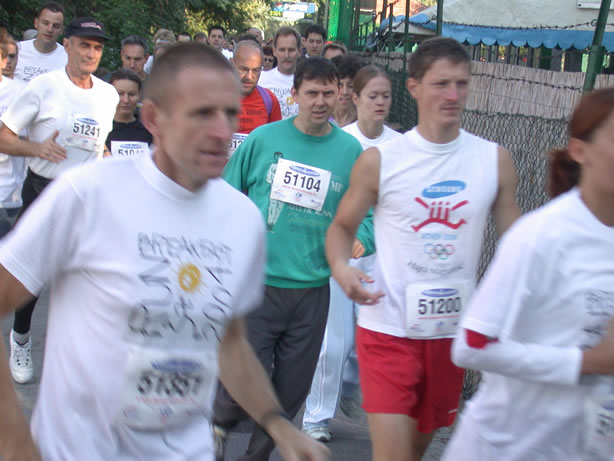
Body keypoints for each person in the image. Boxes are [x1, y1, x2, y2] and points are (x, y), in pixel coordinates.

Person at [0, 42, 329, 461]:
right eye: (201, 113)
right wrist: (15, 443)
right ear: (154, 118)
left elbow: (228, 343)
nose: (221, 131)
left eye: (229, 113)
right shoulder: (88, 195)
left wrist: (279, 425)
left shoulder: (243, 219)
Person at [325, 37, 521, 461]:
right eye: (441, 84)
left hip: (450, 335)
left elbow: (517, 245)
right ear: (413, 87)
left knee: (415, 451)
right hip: (387, 329)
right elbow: (340, 227)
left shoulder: (493, 161)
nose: (452, 95)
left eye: (461, 84)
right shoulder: (381, 161)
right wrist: (341, 267)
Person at [440, 87, 614, 461]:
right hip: (504, 447)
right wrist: (585, 363)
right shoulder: (541, 236)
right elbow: (470, 346)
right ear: (580, 151)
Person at [213, 56, 374, 461]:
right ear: (295, 94)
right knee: (240, 386)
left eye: (328, 93)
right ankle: (214, 427)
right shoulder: (263, 140)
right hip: (259, 285)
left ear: (340, 94)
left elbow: (369, 213)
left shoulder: (350, 151)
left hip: (312, 291)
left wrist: (362, 238)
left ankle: (255, 457)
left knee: (289, 393)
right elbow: (224, 197)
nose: (320, 101)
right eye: (312, 93)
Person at [0, 17, 119, 385]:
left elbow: (99, 144)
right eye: (84, 45)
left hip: (87, 196)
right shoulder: (42, 87)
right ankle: (21, 337)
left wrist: (110, 164)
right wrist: (37, 148)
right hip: (44, 190)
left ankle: (75, 354)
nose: (90, 53)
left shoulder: (108, 95)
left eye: (97, 47)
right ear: (67, 46)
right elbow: (4, 136)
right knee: (32, 277)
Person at [303, 65, 401, 443]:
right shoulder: (340, 143)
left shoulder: (402, 146)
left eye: (386, 96)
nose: (380, 102)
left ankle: (352, 389)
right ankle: (316, 417)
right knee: (335, 343)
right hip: (340, 256)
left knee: (372, 343)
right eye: (373, 95)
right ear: (355, 97)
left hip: (384, 256)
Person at [230, 37, 281, 155]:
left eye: (256, 70)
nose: (249, 76)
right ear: (232, 63)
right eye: (243, 69)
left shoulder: (270, 100)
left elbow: (275, 145)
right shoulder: (212, 97)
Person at [0, 39, 26, 238]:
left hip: (7, 192)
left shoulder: (22, 92)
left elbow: (27, 139)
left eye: (11, 56)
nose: (9, 61)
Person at [14, 2, 67, 82]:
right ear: (36, 23)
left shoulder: (68, 58)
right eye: (45, 23)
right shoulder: (16, 51)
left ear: (61, 30)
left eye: (56, 26)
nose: (50, 29)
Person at [105, 69, 152, 157]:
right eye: (120, 94)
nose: (126, 100)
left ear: (139, 95)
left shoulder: (150, 131)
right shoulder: (101, 130)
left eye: (131, 94)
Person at [258, 27, 301, 119]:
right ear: (274, 51)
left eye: (291, 50)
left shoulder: (307, 82)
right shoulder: (260, 79)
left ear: (299, 51)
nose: (286, 55)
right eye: (282, 50)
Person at [330, 54, 361, 127]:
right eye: (340, 85)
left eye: (350, 86)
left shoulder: (362, 120)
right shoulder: (322, 118)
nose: (345, 92)